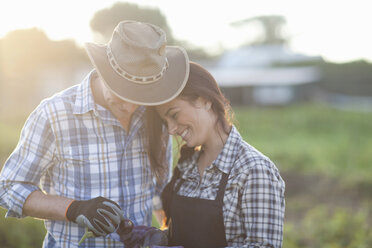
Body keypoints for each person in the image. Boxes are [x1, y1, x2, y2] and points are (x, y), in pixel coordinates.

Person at [0, 20, 189, 247]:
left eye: (139, 97)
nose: (130, 107)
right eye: (122, 93)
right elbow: (9, 187)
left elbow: (158, 194)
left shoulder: (156, 117)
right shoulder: (54, 114)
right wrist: (74, 208)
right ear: (104, 71)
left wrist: (166, 234)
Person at [155, 62, 286, 248]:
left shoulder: (254, 171)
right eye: (165, 122)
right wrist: (157, 237)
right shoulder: (187, 165)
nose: (171, 129)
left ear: (205, 100)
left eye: (174, 115)